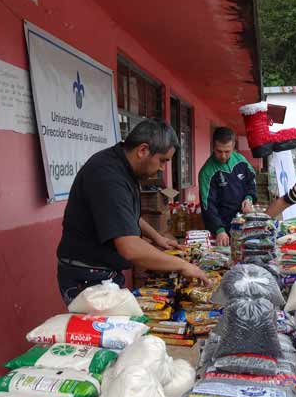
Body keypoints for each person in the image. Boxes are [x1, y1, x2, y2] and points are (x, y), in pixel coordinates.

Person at [57, 119, 210, 304]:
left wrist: (158, 238)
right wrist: (182, 266)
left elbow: (125, 215)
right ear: (143, 150)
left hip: (103, 271)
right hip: (87, 274)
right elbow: (130, 248)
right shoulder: (108, 175)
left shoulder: (123, 168)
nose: (162, 168)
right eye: (162, 160)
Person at [199, 127, 257, 246]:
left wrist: (249, 198)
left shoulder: (241, 161)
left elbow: (251, 183)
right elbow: (208, 206)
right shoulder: (206, 172)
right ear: (213, 146)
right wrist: (219, 229)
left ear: (233, 146)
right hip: (221, 230)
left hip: (244, 223)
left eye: (227, 151)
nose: (223, 156)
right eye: (219, 151)